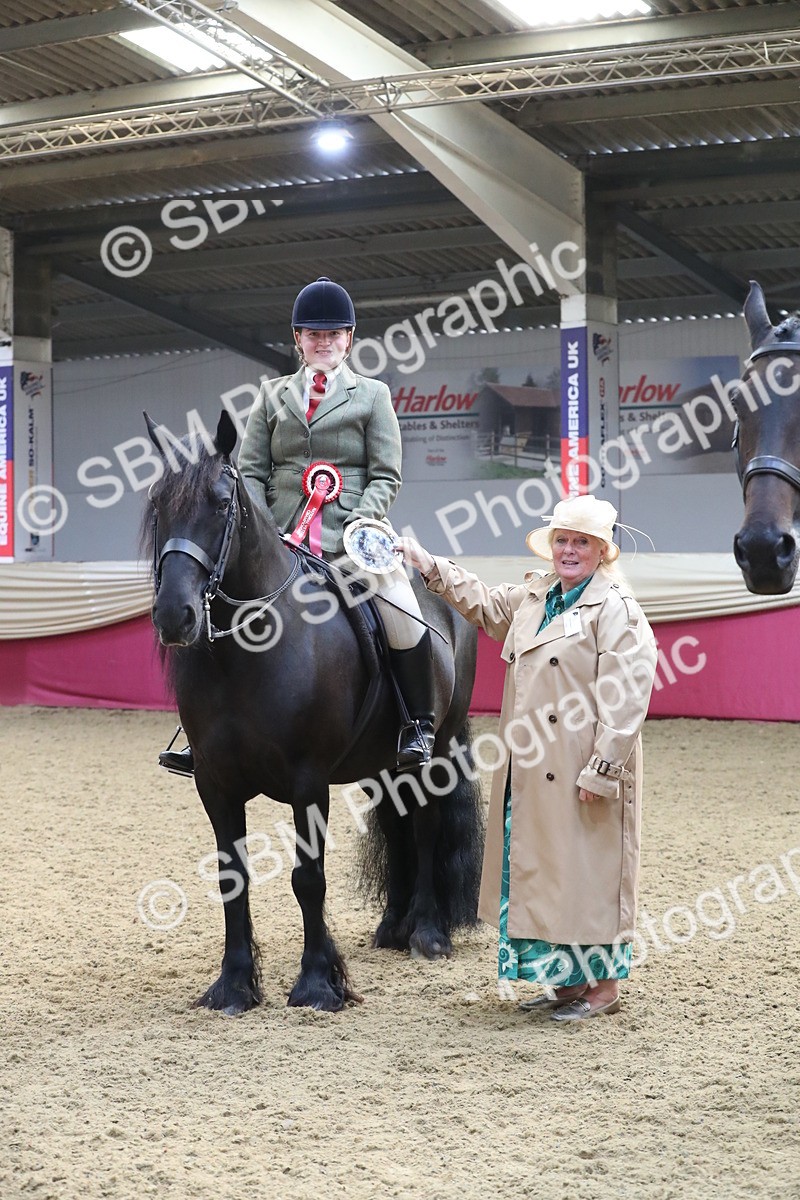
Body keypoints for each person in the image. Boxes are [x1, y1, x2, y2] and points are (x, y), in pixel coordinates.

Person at [159, 276, 435, 776]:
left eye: (332, 334)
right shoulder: (271, 395)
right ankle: (200, 733)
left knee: (401, 605)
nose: (322, 342)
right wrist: (269, 532)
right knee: (217, 600)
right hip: (278, 539)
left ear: (349, 339)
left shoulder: (373, 396)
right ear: (298, 339)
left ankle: (417, 722)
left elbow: (387, 474)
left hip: (353, 538)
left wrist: (359, 522)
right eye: (312, 333)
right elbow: (253, 473)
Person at [399, 494, 657, 1021]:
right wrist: (430, 567)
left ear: (602, 551)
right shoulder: (537, 597)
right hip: (532, 766)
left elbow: (628, 697)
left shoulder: (617, 610)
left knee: (588, 874)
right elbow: (486, 604)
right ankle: (565, 985)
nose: (568, 550)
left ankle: (603, 989)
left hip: (583, 765)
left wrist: (604, 769)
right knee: (548, 874)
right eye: (562, 540)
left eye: (580, 542)